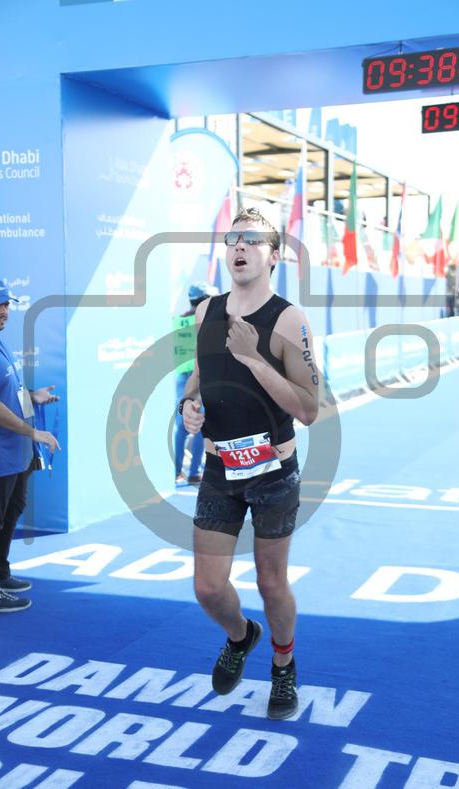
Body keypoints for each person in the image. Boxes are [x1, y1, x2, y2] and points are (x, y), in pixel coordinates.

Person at [179, 207, 319, 719]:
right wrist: (188, 405)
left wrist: (254, 358)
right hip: (219, 469)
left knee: (270, 582)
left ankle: (284, 665)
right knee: (207, 587)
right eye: (233, 238)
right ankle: (241, 636)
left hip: (272, 472)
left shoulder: (288, 319)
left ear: (273, 255)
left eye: (252, 239)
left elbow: (309, 409)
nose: (239, 246)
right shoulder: (205, 312)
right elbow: (198, 375)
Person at [0, 278, 60, 613]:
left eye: (6, 304)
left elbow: (9, 394)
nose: (3, 311)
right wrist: (34, 434)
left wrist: (33, 397)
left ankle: (0, 573)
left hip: (14, 453)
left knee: (12, 509)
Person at [173, 282, 218, 486]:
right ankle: (194, 472)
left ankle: (176, 471)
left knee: (182, 425)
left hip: (182, 378)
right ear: (204, 300)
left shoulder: (177, 321)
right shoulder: (206, 322)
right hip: (201, 377)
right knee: (200, 425)